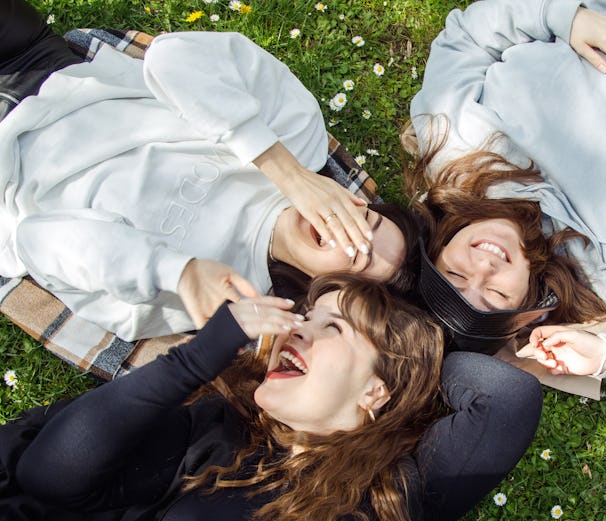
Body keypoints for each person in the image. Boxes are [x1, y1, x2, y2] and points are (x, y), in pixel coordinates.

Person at [0, 274, 543, 521]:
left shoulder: (409, 485)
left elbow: (503, 394)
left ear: (376, 392)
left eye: (331, 328)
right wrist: (195, 358)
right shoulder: (212, 435)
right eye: (304, 318)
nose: (297, 330)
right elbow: (49, 475)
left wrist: (415, 356)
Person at [0, 0, 417, 341]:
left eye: (358, 257)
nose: (350, 232)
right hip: (44, 64)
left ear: (325, 292)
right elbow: (171, 56)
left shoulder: (212, 294)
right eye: (367, 221)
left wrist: (175, 272)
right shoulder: (298, 139)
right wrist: (289, 174)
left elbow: (35, 239)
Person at [405, 0, 606, 387]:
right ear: (529, 301)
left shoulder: (453, 150)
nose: (484, 267)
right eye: (495, 293)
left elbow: (465, 37)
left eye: (455, 272)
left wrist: (564, 18)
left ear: (439, 248)